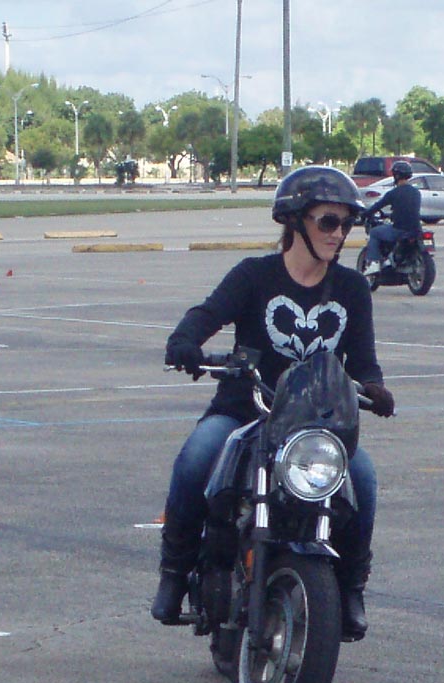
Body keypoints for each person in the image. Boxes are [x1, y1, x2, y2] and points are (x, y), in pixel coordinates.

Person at [152, 165, 395, 642]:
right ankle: (174, 573)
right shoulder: (255, 276)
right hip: (246, 413)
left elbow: (364, 360)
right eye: (328, 221)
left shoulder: (351, 289)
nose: (339, 233)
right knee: (196, 457)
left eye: (347, 223)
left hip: (315, 425)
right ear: (295, 222)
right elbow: (208, 313)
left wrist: (375, 387)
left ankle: (351, 587)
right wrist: (185, 341)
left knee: (363, 479)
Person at [361, 159, 422, 276]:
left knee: (374, 232)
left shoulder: (393, 193)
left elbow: (377, 206)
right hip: (416, 229)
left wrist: (364, 214)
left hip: (399, 229)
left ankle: (374, 263)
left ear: (396, 175)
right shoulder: (416, 192)